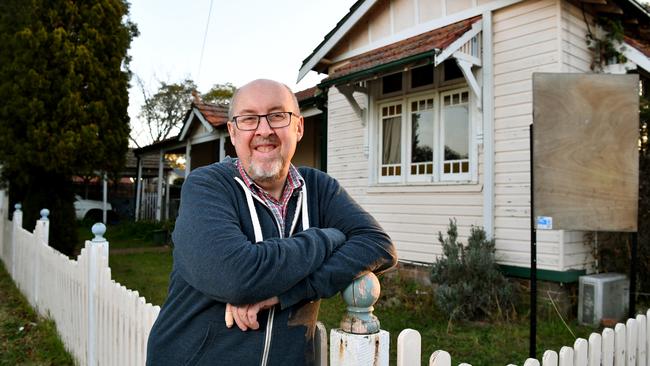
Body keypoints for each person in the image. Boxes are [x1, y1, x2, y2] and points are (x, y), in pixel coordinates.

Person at [146, 79, 397, 366]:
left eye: (277, 115)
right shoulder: (208, 186)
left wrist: (289, 291)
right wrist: (328, 237)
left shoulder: (319, 188)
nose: (263, 130)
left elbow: (379, 245)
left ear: (298, 127)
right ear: (233, 132)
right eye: (249, 118)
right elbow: (235, 277)